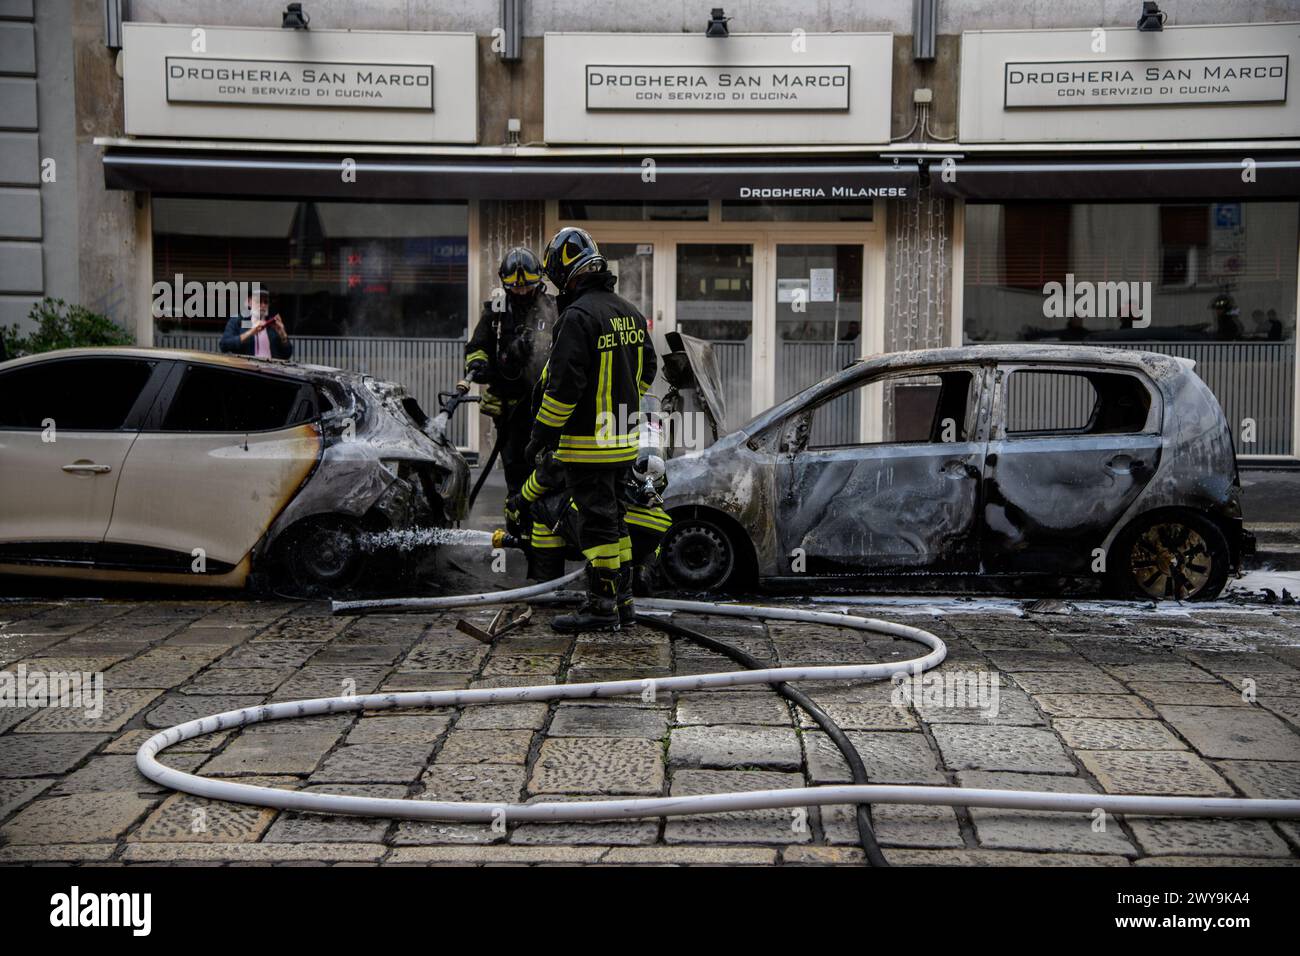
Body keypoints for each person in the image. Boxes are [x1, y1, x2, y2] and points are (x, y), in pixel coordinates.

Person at [525, 227, 657, 633]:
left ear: (566, 274)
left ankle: (600, 606)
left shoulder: (577, 317)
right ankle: (623, 601)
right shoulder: (630, 312)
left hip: (587, 445)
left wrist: (541, 436)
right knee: (615, 521)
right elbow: (648, 370)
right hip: (622, 441)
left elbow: (564, 389)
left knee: (596, 526)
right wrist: (621, 405)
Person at [465, 248, 556, 539]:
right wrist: (478, 363)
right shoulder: (496, 312)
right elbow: (477, 345)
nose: (521, 291)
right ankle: (518, 525)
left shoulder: (551, 308)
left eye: (527, 284)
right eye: (515, 286)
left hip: (542, 407)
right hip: (508, 408)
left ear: (538, 281)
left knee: (543, 468)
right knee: (515, 469)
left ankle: (544, 523)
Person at [221, 289, 293, 359]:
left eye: (266, 302)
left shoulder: (274, 325)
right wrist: (250, 332)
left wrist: (283, 335)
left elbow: (287, 354)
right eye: (258, 301)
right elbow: (224, 345)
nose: (263, 305)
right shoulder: (237, 321)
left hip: (271, 369)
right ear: (249, 302)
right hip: (246, 369)